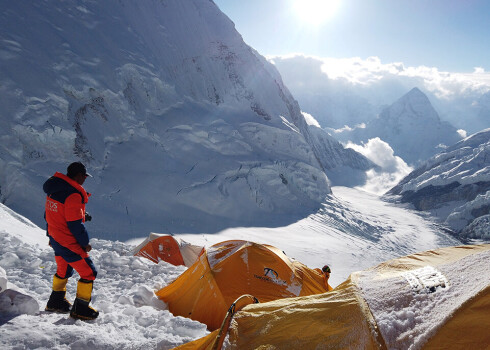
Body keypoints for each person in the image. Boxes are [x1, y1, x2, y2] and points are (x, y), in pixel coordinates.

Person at [43, 161, 99, 320]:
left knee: (64, 270)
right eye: (84, 177)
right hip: (67, 241)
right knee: (89, 272)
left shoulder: (54, 190)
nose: (85, 180)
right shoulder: (74, 194)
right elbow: (75, 225)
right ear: (79, 175)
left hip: (55, 238)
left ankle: (56, 301)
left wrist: (50, 235)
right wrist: (84, 243)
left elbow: (50, 213)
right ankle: (81, 309)